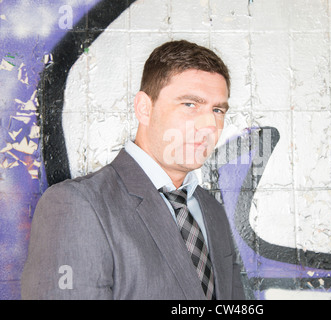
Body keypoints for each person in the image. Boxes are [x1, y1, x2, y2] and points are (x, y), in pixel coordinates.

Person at [21, 40, 245, 300]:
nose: (209, 125)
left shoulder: (211, 210)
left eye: (217, 110)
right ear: (144, 109)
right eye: (190, 104)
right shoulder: (76, 205)